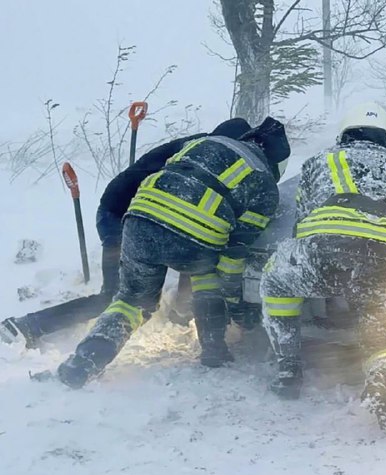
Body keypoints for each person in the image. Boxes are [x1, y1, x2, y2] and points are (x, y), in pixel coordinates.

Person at [56, 116, 290, 388]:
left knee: (131, 301)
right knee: (207, 276)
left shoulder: (203, 143)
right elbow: (232, 257)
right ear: (276, 163)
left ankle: (85, 361)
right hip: (193, 239)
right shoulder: (264, 184)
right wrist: (237, 306)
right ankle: (214, 351)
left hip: (138, 222)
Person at [260, 102, 386, 435]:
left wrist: (319, 265)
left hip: (327, 247)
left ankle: (289, 368)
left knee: (276, 281)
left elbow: (303, 220)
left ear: (344, 134)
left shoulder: (320, 161)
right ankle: (385, 378)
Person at [0, 119, 253, 348]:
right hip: (121, 217)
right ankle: (27, 325)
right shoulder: (204, 155)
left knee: (193, 247)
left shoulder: (202, 149)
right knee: (114, 296)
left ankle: (180, 311)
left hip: (148, 216)